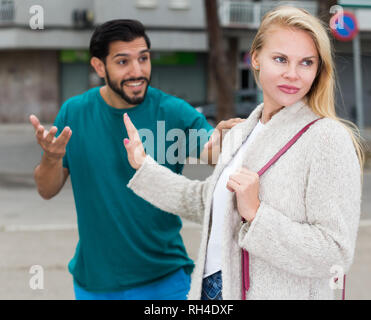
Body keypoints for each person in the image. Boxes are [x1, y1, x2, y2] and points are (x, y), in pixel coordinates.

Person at [123, 6, 364, 300]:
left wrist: (258, 215)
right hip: (212, 289)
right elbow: (208, 203)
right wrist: (144, 166)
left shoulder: (327, 138)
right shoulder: (240, 133)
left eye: (306, 63)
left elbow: (335, 253)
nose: (292, 74)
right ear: (256, 59)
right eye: (280, 59)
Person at [29, 19, 243, 300]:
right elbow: (46, 189)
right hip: (95, 284)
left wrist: (230, 143)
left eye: (143, 58)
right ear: (98, 66)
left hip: (166, 282)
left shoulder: (173, 112)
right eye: (123, 62)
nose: (137, 71)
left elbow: (212, 149)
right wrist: (51, 158)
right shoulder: (75, 112)